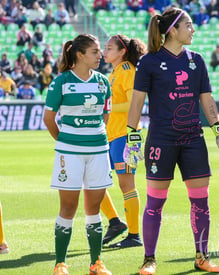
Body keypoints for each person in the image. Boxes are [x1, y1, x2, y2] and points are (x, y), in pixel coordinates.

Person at [126, 7, 219, 274]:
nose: (193, 30)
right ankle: (149, 260)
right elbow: (137, 101)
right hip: (161, 140)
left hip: (193, 139)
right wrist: (132, 137)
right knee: (155, 203)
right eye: (189, 25)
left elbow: (206, 98)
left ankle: (202, 256)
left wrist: (218, 129)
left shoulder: (197, 60)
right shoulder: (149, 62)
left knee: (200, 201)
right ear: (172, 30)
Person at [43, 34, 113, 275]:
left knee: (94, 208)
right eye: (95, 52)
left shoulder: (103, 81)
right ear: (80, 55)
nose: (100, 55)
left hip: (98, 151)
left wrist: (92, 136)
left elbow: (106, 116)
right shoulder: (60, 82)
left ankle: (96, 263)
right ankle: (60, 263)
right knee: (68, 208)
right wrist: (67, 142)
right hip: (69, 153)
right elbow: (49, 120)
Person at [101, 34, 147, 248]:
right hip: (114, 134)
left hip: (127, 135)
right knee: (95, 181)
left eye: (109, 48)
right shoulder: (115, 72)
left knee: (126, 183)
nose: (104, 51)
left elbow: (133, 103)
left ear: (122, 52)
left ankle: (134, 235)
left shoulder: (128, 70)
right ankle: (115, 222)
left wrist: (105, 108)